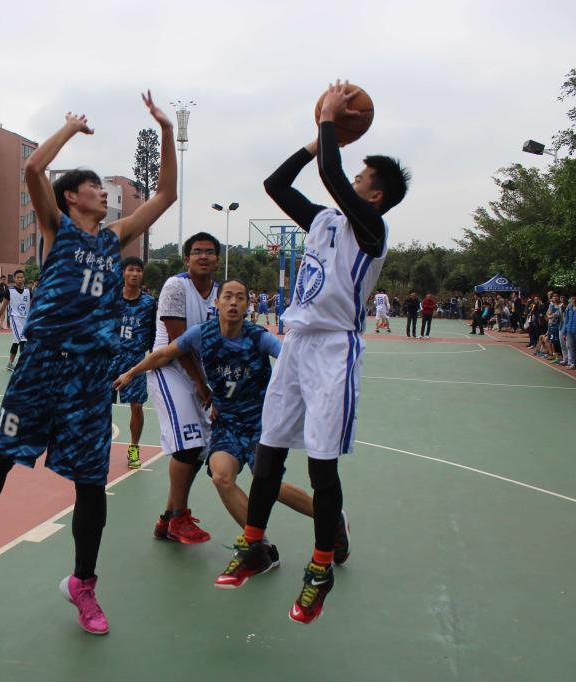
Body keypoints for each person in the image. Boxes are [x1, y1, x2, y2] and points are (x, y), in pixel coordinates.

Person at [0, 92, 176, 636]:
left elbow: (166, 194)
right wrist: (70, 128)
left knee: (91, 482)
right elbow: (31, 169)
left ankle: (83, 584)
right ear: (73, 196)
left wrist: (166, 130)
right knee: (1, 456)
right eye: (95, 187)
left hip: (90, 376)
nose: (103, 193)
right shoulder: (57, 228)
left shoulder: (114, 240)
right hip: (42, 364)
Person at [227, 81, 410, 624]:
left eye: (361, 178)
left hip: (334, 349)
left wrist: (330, 119)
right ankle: (253, 542)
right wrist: (315, 140)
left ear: (374, 196)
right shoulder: (325, 222)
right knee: (268, 453)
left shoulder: (371, 228)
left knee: (322, 466)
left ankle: (321, 567)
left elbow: (332, 174)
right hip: (296, 344)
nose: (352, 180)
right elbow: (275, 184)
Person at [116, 279, 323, 586]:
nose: (233, 302)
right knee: (221, 475)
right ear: (217, 303)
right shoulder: (202, 334)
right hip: (227, 423)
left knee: (271, 487)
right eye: (228, 296)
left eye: (240, 297)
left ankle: (331, 519)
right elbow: (163, 354)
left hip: (261, 424)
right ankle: (259, 547)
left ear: (247, 305)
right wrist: (132, 372)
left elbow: (291, 360)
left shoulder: (258, 337)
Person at [148, 232, 220, 545]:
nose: (204, 256)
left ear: (217, 258)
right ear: (187, 258)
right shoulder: (176, 286)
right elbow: (178, 343)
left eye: (209, 251)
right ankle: (179, 517)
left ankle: (167, 519)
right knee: (188, 446)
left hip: (199, 374)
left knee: (199, 450)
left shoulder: (219, 293)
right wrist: (201, 384)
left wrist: (214, 385)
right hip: (168, 369)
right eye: (197, 251)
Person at [109, 257, 157, 469]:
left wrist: (154, 358)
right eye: (131, 270)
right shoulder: (111, 298)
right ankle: (98, 447)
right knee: (102, 405)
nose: (135, 274)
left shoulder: (149, 303)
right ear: (123, 272)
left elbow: (154, 333)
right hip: (110, 358)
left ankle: (134, 447)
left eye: (139, 270)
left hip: (135, 360)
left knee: (136, 406)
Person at [5, 269, 31, 371]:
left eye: (21, 277)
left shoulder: (28, 291)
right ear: (14, 279)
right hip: (15, 318)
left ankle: (10, 364)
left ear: (24, 278)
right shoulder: (10, 291)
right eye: (18, 277)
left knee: (16, 341)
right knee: (23, 340)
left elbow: (32, 304)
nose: (20, 279)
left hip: (25, 319)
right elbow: (4, 305)